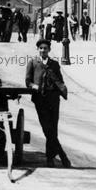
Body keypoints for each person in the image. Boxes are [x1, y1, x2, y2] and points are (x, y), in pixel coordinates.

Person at [25, 39, 71, 168]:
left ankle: (50, 159)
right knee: (47, 128)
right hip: (40, 99)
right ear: (38, 50)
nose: (43, 50)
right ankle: (62, 155)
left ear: (49, 50)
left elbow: (60, 80)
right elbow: (27, 81)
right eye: (41, 48)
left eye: (45, 48)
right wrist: (33, 86)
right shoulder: (33, 63)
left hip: (54, 99)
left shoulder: (54, 64)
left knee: (53, 129)